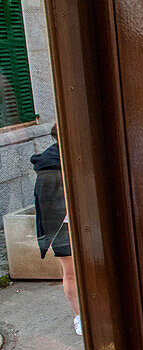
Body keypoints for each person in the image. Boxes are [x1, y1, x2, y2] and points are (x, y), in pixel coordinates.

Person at [31, 125, 81, 336]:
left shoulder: (84, 154)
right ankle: (79, 315)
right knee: (70, 273)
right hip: (64, 226)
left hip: (87, 223)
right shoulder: (50, 162)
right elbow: (44, 202)